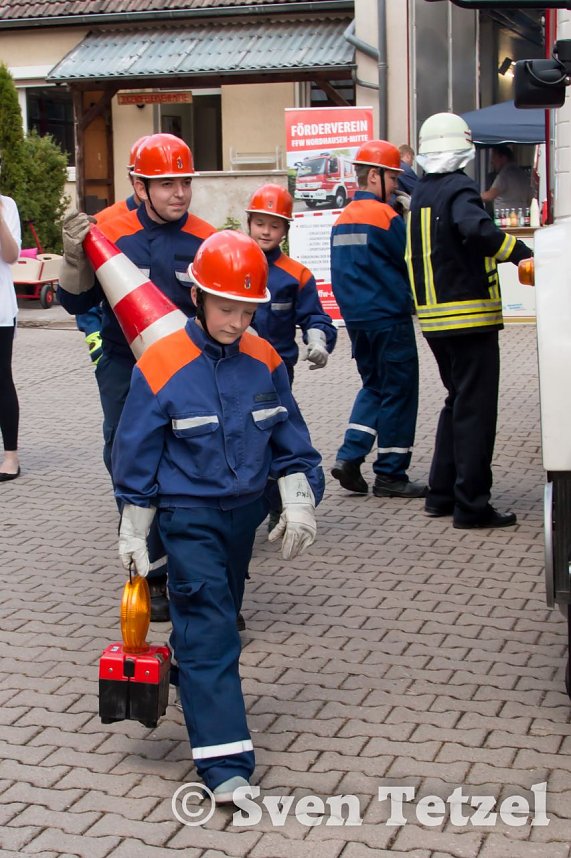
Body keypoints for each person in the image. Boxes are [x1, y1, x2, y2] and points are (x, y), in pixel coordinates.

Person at [112, 230, 324, 803]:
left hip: (242, 522)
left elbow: (290, 436)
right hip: (187, 518)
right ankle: (224, 763)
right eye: (225, 307)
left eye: (247, 309)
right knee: (211, 628)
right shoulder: (160, 363)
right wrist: (134, 527)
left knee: (215, 621)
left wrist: (302, 494)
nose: (236, 320)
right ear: (198, 298)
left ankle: (193, 673)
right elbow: (134, 451)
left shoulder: (265, 360)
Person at [57, 133, 216, 620]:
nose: (179, 194)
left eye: (185, 182)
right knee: (129, 461)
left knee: (189, 460)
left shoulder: (206, 238)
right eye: (166, 184)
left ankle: (193, 567)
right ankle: (152, 568)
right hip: (125, 369)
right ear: (138, 186)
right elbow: (77, 302)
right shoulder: (107, 228)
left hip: (189, 370)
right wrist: (73, 258)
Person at [406, 112, 533, 529]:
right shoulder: (459, 187)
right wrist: (521, 253)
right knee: (476, 410)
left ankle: (440, 495)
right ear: (461, 149)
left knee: (456, 403)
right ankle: (472, 505)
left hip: (436, 322)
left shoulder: (423, 191)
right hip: (469, 319)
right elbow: (476, 230)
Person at [329, 139, 426, 500]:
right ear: (375, 175)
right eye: (394, 178)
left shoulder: (342, 219)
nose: (397, 186)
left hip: (358, 321)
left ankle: (351, 456)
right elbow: (411, 259)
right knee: (399, 391)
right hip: (389, 317)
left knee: (373, 386)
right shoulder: (386, 217)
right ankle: (390, 474)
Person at [245, 183, 337, 385]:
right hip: (235, 365)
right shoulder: (232, 264)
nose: (266, 232)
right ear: (249, 223)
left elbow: (313, 316)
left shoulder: (298, 275)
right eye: (260, 224)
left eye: (275, 226)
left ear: (286, 230)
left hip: (279, 369)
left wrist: (318, 341)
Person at [74, 138, 150, 367]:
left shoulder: (179, 226)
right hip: (119, 352)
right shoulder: (105, 222)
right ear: (132, 179)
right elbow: (86, 285)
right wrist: (92, 333)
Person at [0, 189, 22, 481]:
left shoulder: (7, 205)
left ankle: (11, 457)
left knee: (1, 379)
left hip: (1, 310)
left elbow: (11, 255)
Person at [481, 144, 531, 220]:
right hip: (522, 218)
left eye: (494, 157)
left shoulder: (504, 175)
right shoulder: (523, 174)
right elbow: (530, 198)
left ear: (503, 158)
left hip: (506, 220)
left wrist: (472, 196)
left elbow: (489, 196)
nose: (492, 162)